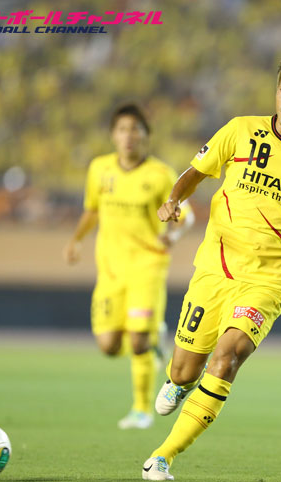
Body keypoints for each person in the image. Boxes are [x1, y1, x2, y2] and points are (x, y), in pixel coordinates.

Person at [142, 49, 281, 480]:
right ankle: (179, 383)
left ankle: (163, 455)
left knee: (228, 356)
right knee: (184, 369)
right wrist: (174, 199)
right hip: (216, 268)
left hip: (270, 279)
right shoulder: (240, 131)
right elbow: (196, 172)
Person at [63, 103, 193, 430]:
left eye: (136, 129)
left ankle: (141, 410)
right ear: (113, 135)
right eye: (122, 129)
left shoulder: (161, 175)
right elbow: (92, 210)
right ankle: (154, 344)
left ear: (147, 135)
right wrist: (76, 240)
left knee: (137, 339)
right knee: (108, 345)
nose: (129, 136)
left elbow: (187, 216)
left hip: (148, 265)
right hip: (110, 269)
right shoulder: (99, 169)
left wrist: (173, 236)